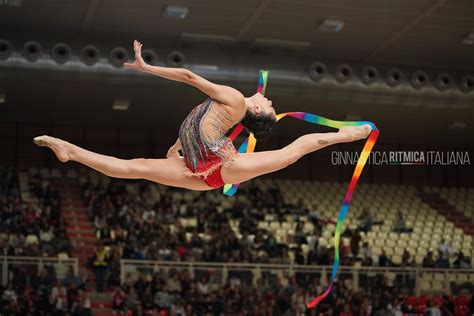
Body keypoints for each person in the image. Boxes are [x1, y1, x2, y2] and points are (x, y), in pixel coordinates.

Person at [34, 40, 371, 191]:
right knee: (132, 166)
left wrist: (147, 67)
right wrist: (177, 146)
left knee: (290, 154)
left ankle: (345, 135)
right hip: (199, 170)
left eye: (269, 105)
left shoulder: (236, 100)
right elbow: (194, 125)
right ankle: (69, 150)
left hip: (220, 166)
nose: (269, 99)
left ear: (255, 110)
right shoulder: (228, 108)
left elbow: (190, 77)